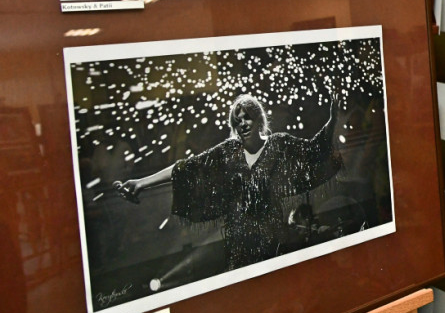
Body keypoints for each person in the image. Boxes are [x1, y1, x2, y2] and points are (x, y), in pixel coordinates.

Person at [115, 92, 347, 270]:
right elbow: (185, 168)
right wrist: (141, 183)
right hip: (239, 241)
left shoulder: (278, 144)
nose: (243, 124)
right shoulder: (228, 152)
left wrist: (332, 119)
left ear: (258, 119)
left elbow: (314, 149)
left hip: (274, 238)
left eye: (247, 118)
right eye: (238, 121)